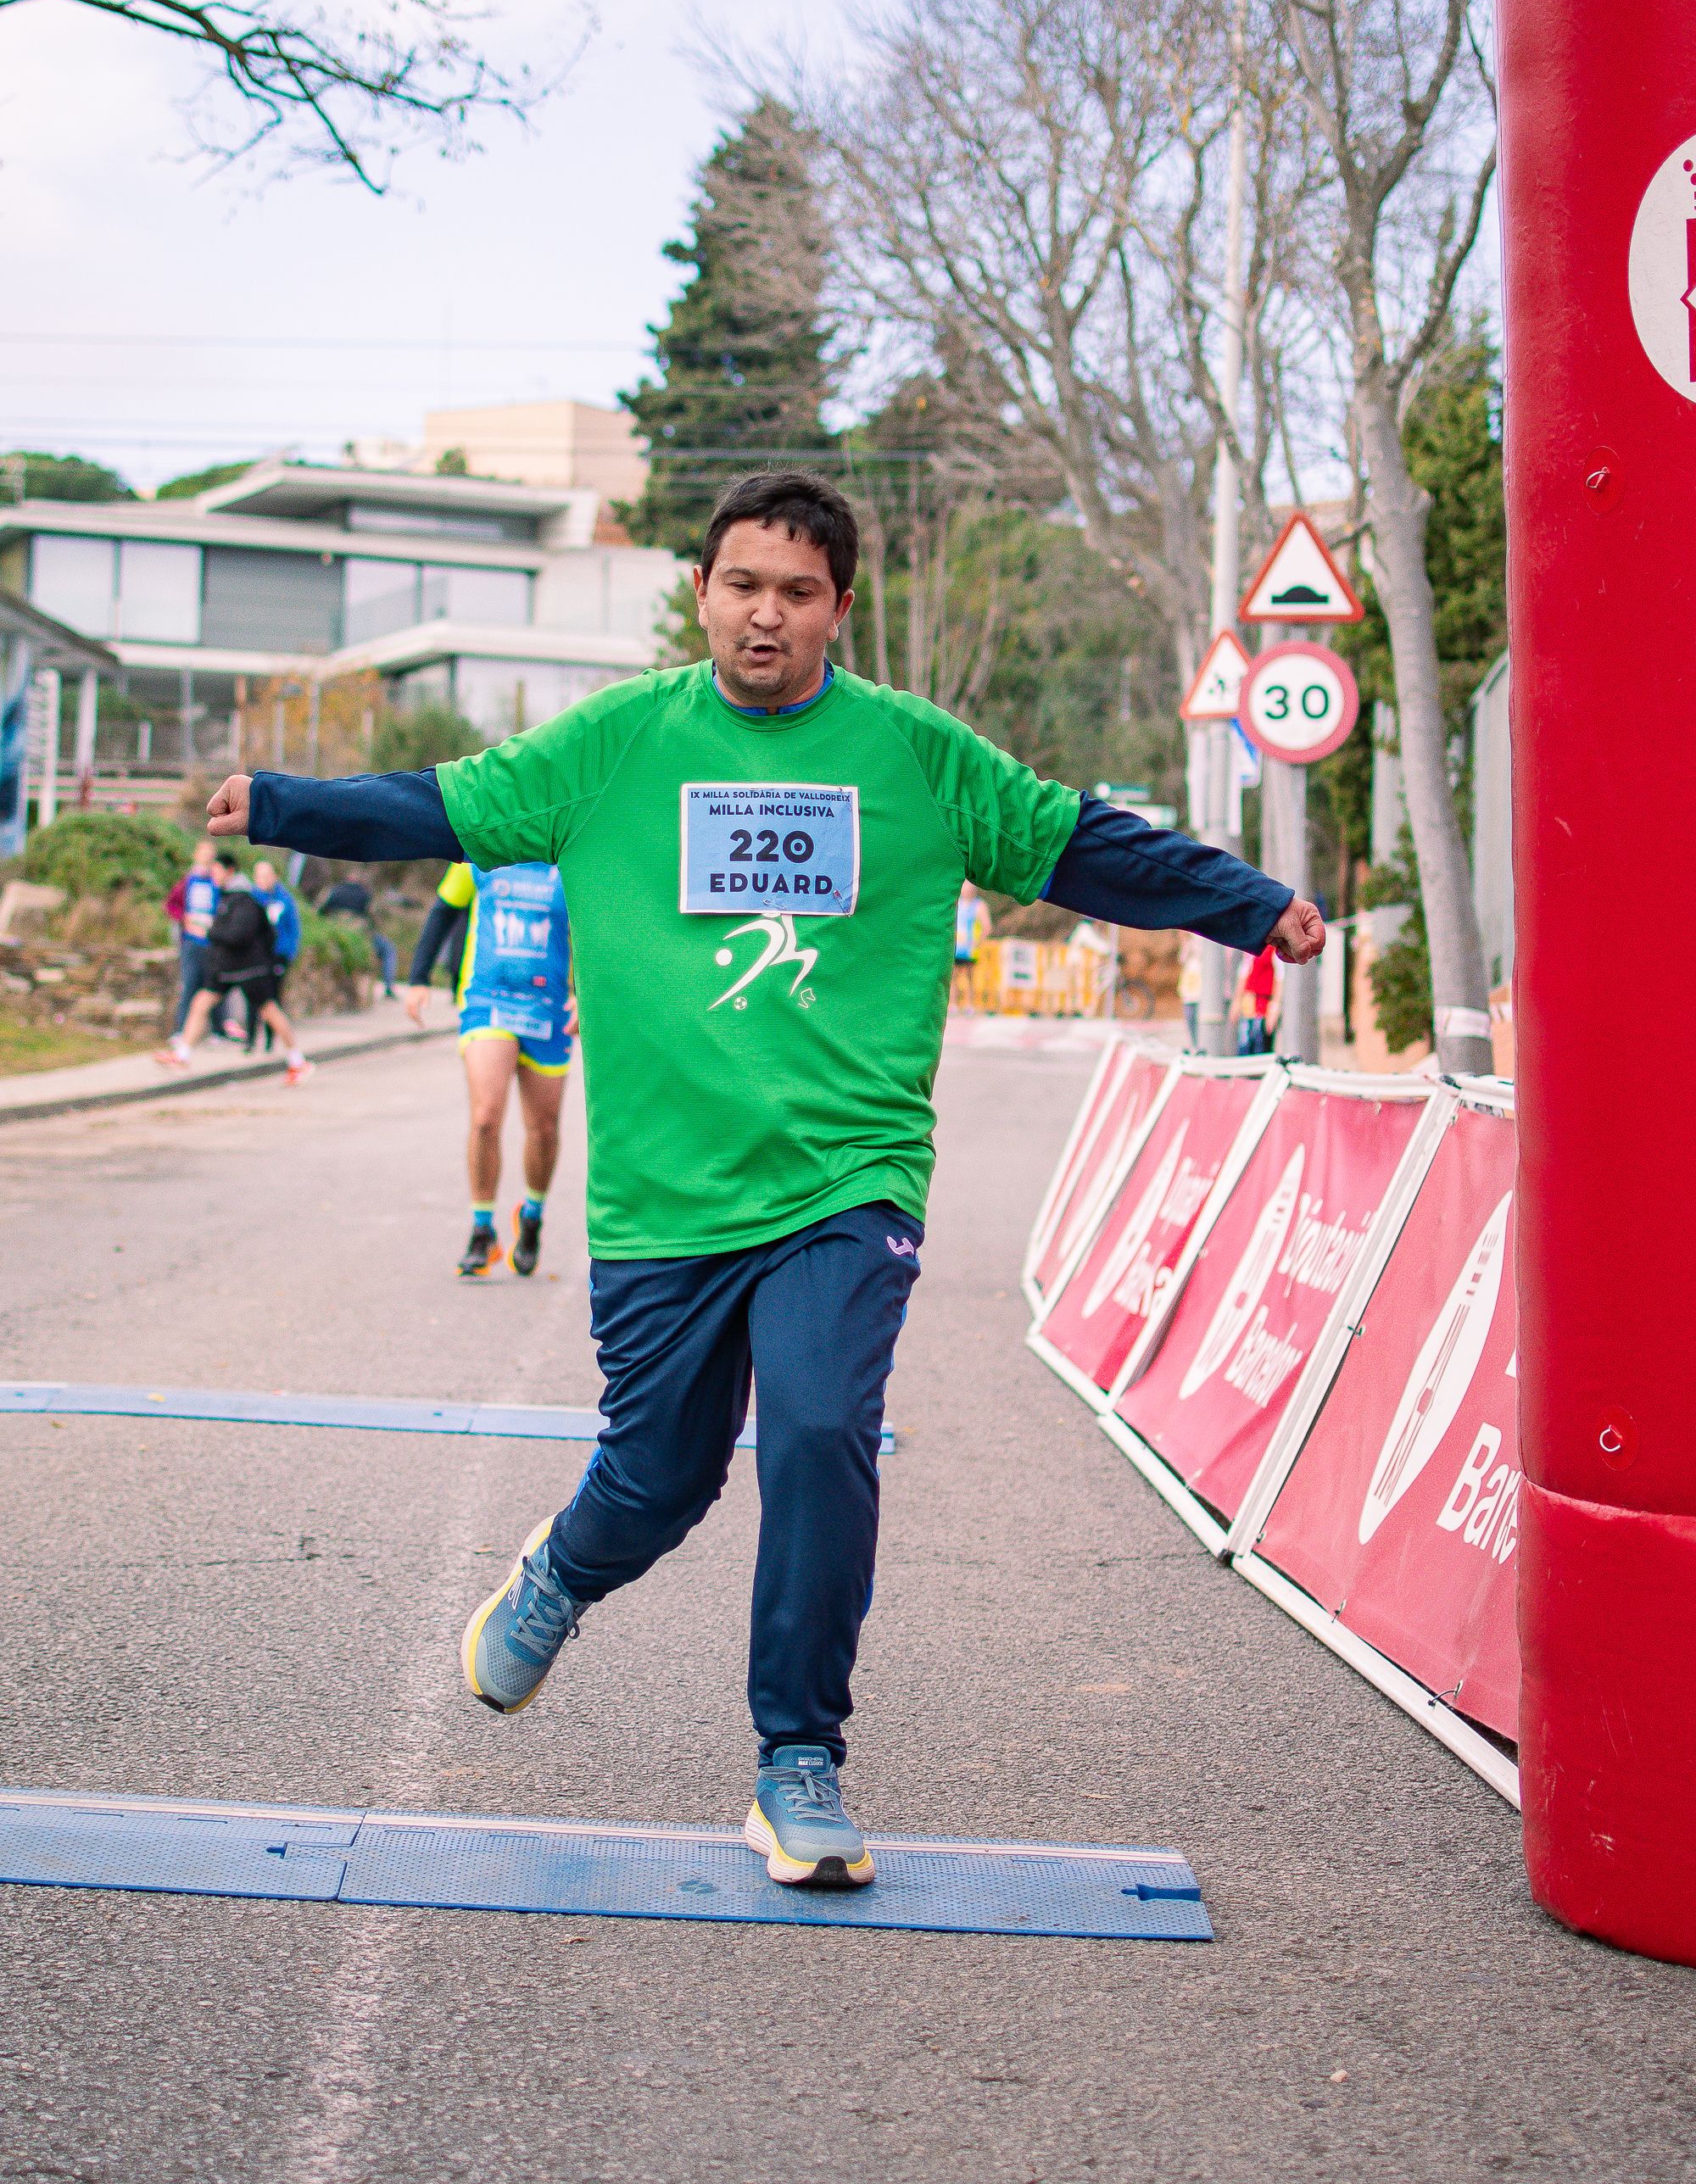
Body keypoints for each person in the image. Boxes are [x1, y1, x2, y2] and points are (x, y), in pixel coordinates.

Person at [206, 468, 1324, 1889]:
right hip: (668, 1194)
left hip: (846, 1176)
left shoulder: (915, 757)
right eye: (744, 585)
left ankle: (800, 1759)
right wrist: (285, 802)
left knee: (815, 1428)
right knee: (660, 1476)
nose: (766, 615)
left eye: (799, 592)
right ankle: (562, 1571)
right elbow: (444, 802)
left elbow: (1084, 843)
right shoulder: (618, 746)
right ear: (703, 595)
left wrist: (1251, 903)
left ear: (840, 611)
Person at [405, 857, 575, 1279]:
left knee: (545, 1127)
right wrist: (418, 977)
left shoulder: (568, 856)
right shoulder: (477, 851)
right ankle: (483, 1231)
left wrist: (585, 994)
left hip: (549, 1010)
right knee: (485, 1117)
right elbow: (443, 910)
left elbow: (598, 928)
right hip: (488, 1003)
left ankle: (532, 1215)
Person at [155, 852, 310, 1083]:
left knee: (270, 1011)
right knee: (201, 1002)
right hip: (228, 968)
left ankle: (298, 1062)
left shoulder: (244, 899)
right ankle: (182, 1055)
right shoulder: (228, 896)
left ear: (229, 871)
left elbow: (238, 934)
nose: (213, 875)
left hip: (250, 969)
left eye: (217, 870)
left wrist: (209, 930)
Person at [166, 838, 220, 1035]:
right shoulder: (187, 881)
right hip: (191, 941)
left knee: (213, 987)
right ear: (196, 855)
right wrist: (183, 918)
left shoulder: (216, 882)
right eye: (204, 853)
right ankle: (181, 1030)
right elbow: (171, 905)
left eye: (210, 854)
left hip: (213, 942)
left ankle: (216, 1031)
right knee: (189, 985)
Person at [248, 859, 300, 1051]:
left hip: (278, 955)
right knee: (253, 997)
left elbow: (293, 929)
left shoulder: (284, 899)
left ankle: (270, 1041)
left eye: (266, 876)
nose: (263, 880)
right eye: (259, 876)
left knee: (273, 998)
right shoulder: (252, 899)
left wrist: (289, 953)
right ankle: (250, 1040)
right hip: (256, 955)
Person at [320, 875, 397, 995]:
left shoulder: (334, 890)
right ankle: (389, 987)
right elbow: (374, 918)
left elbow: (320, 911)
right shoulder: (365, 894)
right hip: (359, 933)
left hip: (334, 929)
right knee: (388, 949)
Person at [951, 881, 991, 1010]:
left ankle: (970, 1004)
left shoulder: (979, 905)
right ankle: (953, 1005)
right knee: (953, 977)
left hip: (970, 948)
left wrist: (978, 942)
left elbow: (987, 927)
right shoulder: (957, 903)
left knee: (970, 977)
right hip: (956, 947)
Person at [1237, 942, 1279, 1055]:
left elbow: (1279, 978)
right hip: (1249, 1003)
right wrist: (1237, 1002)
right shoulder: (1250, 948)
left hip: (1263, 1003)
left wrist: (1274, 1007)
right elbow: (1244, 974)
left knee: (1260, 1045)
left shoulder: (1273, 949)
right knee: (1245, 1046)